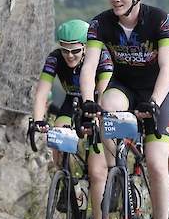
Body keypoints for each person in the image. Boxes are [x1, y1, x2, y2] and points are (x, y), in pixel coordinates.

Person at [79, 0, 169, 219]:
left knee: (158, 163)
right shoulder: (101, 23)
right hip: (124, 87)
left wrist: (156, 103)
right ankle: (116, 173)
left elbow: (167, 68)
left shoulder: (160, 21)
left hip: (156, 90)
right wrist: (86, 101)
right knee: (107, 104)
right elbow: (89, 66)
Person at [30, 19, 112, 152]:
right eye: (64, 50)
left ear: (86, 47)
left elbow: (104, 91)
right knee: (59, 139)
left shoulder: (102, 56)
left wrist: (97, 119)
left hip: (96, 104)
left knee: (96, 171)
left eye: (75, 51)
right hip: (71, 101)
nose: (69, 56)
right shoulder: (55, 58)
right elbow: (42, 93)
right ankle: (63, 170)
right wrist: (38, 120)